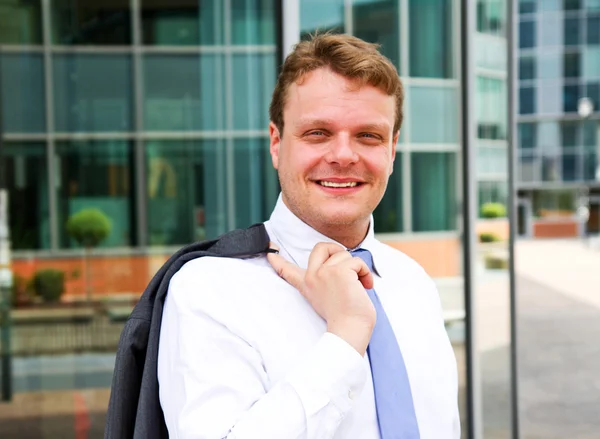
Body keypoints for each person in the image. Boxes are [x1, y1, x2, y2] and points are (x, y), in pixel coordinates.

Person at [157, 33, 460, 438]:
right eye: (318, 132)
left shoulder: (414, 283)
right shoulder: (209, 291)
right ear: (277, 144)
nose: (343, 155)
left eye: (368, 135)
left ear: (392, 151)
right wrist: (345, 336)